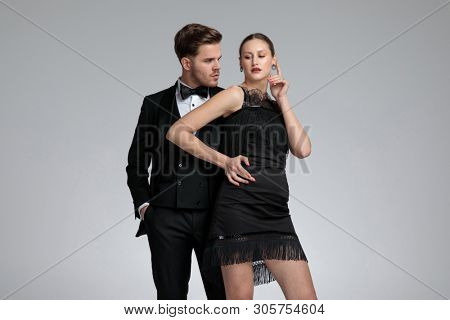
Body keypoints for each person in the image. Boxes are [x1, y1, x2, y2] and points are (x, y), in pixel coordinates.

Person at [166, 33, 318, 299]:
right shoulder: (235, 95)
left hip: (276, 213)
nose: (255, 61)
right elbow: (178, 131)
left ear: (273, 61)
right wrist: (225, 161)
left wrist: (282, 98)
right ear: (240, 63)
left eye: (261, 55)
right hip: (237, 211)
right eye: (247, 57)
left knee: (306, 305)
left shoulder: (276, 105)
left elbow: (303, 150)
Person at [125, 23, 227, 300]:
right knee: (170, 300)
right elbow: (136, 163)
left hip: (216, 219)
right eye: (209, 60)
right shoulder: (154, 103)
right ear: (186, 62)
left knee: (225, 301)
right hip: (166, 218)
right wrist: (146, 208)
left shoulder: (229, 101)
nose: (217, 66)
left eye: (219, 59)